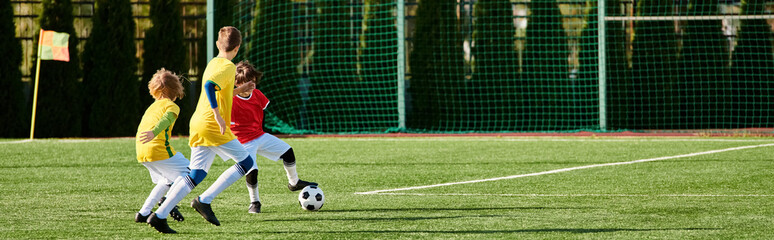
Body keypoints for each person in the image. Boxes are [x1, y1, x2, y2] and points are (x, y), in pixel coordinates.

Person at [148, 26, 255, 233]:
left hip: (198, 123)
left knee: (196, 174)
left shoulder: (214, 62)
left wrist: (239, 90)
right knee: (246, 162)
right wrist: (217, 114)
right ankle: (204, 201)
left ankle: (159, 216)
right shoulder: (228, 66)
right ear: (238, 47)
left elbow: (218, 89)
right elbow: (208, 87)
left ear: (217, 44)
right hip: (212, 125)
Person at [231, 61, 317, 214]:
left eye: (253, 81)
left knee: (288, 152)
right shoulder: (230, 100)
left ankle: (294, 182)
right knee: (252, 169)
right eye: (245, 83)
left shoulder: (257, 95)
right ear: (237, 84)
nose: (250, 85)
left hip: (259, 135)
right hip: (242, 142)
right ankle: (254, 202)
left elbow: (265, 113)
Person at [134, 69, 187, 229]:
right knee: (191, 172)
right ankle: (167, 202)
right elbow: (167, 118)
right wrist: (154, 132)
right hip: (157, 148)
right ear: (176, 88)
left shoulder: (152, 106)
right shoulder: (172, 106)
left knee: (166, 180)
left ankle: (143, 213)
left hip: (141, 151)